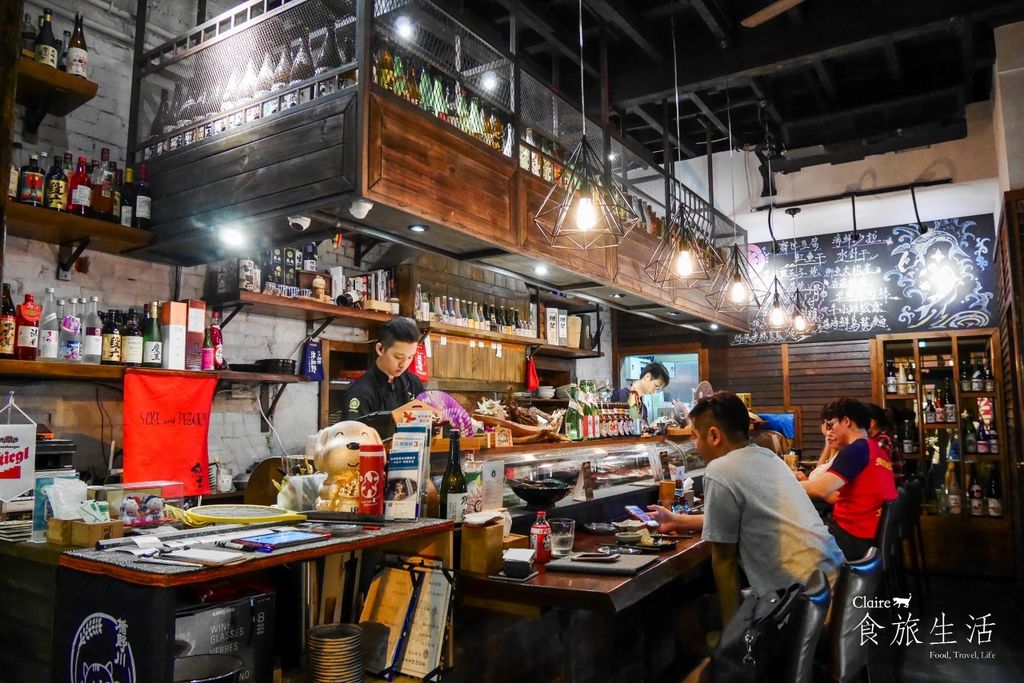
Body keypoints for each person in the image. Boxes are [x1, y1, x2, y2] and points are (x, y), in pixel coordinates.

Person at [648, 391, 844, 627]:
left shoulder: (720, 470)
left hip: (798, 610)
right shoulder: (770, 458)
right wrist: (677, 520)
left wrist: (736, 635)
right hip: (834, 592)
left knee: (687, 618)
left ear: (714, 435)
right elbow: (745, 515)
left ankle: (739, 661)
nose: (695, 446)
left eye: (695, 437)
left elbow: (723, 561)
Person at [801, 398, 897, 561]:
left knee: (789, 531)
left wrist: (785, 481)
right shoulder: (875, 449)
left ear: (846, 421)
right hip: (869, 538)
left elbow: (820, 489)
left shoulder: (856, 450)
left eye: (831, 424)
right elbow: (843, 496)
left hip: (851, 538)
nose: (828, 431)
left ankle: (811, 585)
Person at [341, 317, 425, 420]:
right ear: (380, 349)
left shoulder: (413, 384)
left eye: (410, 357)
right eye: (398, 357)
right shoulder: (361, 392)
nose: (404, 364)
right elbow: (353, 433)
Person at [867, 403, 904, 487]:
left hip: (890, 492)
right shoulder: (878, 439)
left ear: (872, 423)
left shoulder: (883, 440)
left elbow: (874, 469)